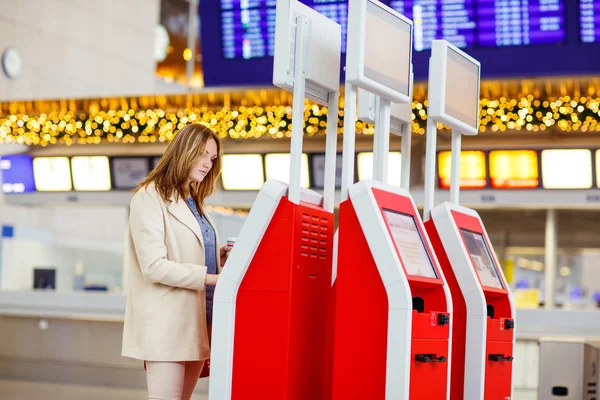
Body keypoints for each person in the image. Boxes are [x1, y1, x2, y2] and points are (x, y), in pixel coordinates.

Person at [122, 123, 229, 400]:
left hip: (198, 323)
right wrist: (210, 278)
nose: (208, 164)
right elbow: (154, 265)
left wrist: (218, 257)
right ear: (184, 150)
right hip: (167, 325)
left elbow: (186, 251)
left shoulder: (196, 202)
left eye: (213, 158)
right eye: (203, 154)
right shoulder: (149, 198)